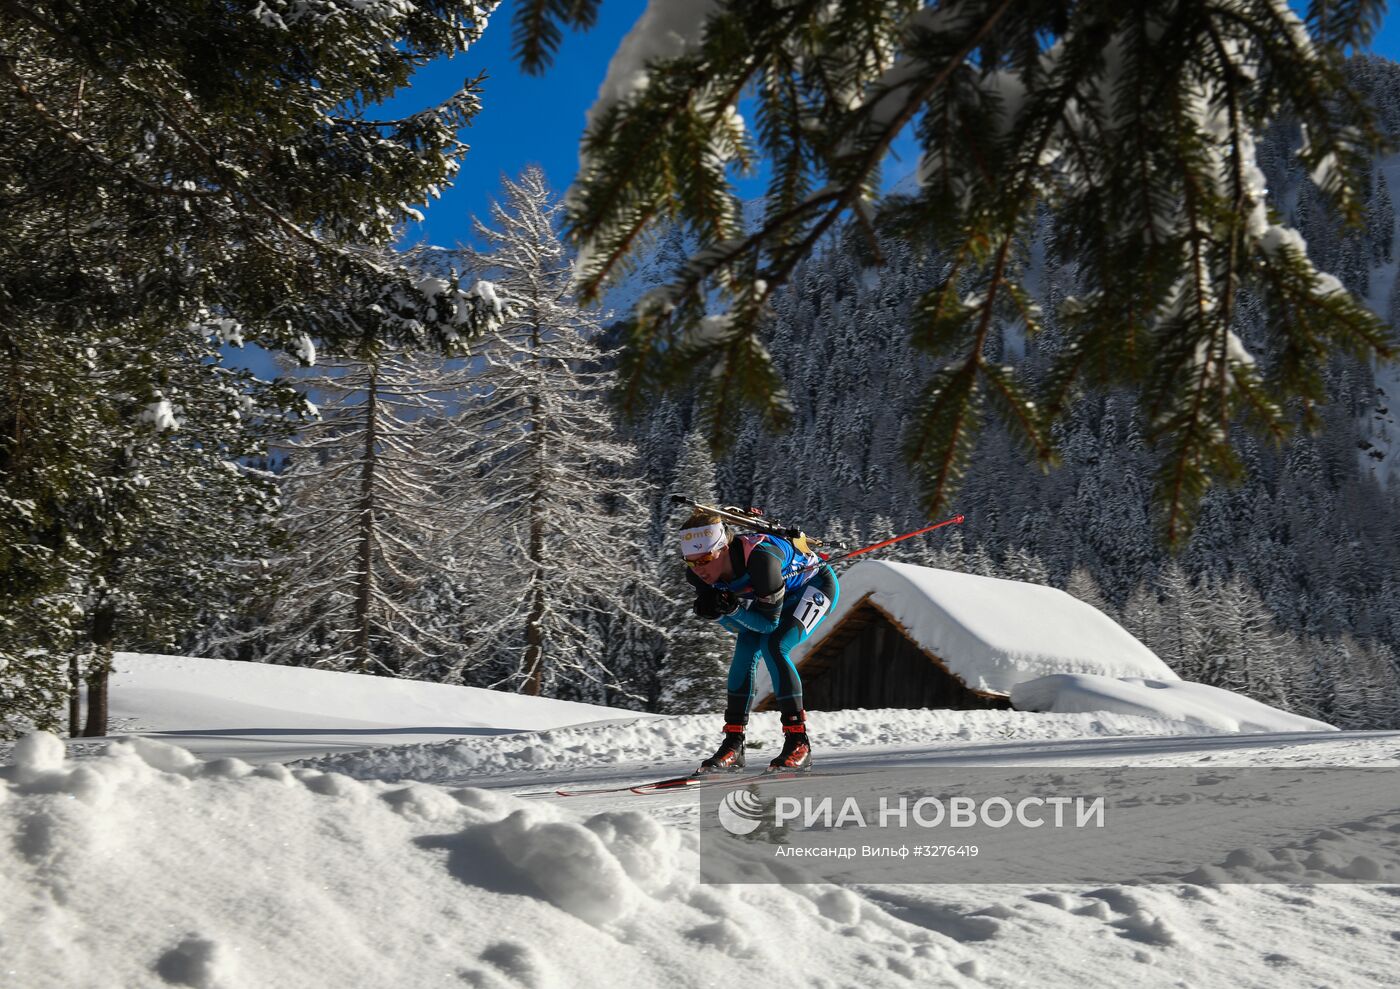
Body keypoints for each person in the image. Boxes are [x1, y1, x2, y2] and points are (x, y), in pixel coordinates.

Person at [679, 509, 840, 773]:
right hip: (772, 597)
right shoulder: (698, 575)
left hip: (814, 587)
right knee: (744, 651)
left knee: (774, 646)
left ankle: (799, 742)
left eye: (705, 559)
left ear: (723, 549)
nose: (699, 570)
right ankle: (733, 745)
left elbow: (769, 624)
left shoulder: (762, 561)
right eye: (691, 562)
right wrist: (719, 613)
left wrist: (731, 610)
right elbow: (738, 628)